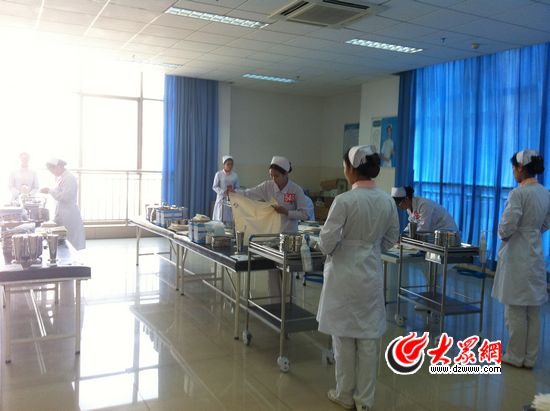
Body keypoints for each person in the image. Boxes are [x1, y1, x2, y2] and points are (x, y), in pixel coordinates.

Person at [317, 145, 399, 411]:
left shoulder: (344, 201)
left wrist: (341, 248)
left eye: (345, 167)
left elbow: (326, 242)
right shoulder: (386, 200)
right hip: (370, 273)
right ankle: (365, 400)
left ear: (352, 170)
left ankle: (344, 394)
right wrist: (370, 248)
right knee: (367, 338)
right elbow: (392, 238)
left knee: (343, 336)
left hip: (343, 275)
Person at [492, 149, 549, 369]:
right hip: (535, 252)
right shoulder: (545, 193)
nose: (513, 172)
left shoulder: (518, 194)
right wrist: (532, 231)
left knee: (515, 308)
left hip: (517, 254)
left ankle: (515, 355)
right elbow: (547, 222)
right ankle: (530, 357)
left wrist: (505, 234)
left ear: (520, 168)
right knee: (533, 310)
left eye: (514, 168)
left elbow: (507, 226)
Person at [236, 156, 308, 301]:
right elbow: (249, 193)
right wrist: (234, 192)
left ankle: (289, 304)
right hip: (272, 236)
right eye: (271, 175)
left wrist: (286, 212)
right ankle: (275, 305)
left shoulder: (295, 190)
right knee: (272, 272)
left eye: (277, 176)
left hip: (289, 238)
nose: (274, 179)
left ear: (285, 174)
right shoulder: (268, 186)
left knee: (287, 275)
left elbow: (304, 214)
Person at [40, 158, 86, 250]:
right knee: (63, 238)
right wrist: (50, 190)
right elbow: (58, 191)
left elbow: (66, 197)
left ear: (59, 166)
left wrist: (50, 191)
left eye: (52, 170)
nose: (52, 173)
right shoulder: (61, 177)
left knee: (71, 239)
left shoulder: (69, 178)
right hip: (62, 212)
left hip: (69, 214)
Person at [391, 186, 459, 233]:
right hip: (435, 234)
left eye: (398, 204)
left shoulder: (424, 205)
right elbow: (412, 225)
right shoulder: (409, 208)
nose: (398, 207)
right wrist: (402, 235)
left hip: (448, 234)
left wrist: (406, 236)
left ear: (406, 199)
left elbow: (423, 228)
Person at [212, 155, 239, 223]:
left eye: (231, 164)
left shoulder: (235, 175)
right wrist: (223, 192)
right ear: (224, 165)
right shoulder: (219, 174)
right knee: (219, 218)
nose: (230, 166)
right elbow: (214, 186)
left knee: (229, 219)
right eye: (228, 164)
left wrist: (233, 191)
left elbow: (237, 187)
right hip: (221, 199)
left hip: (231, 199)